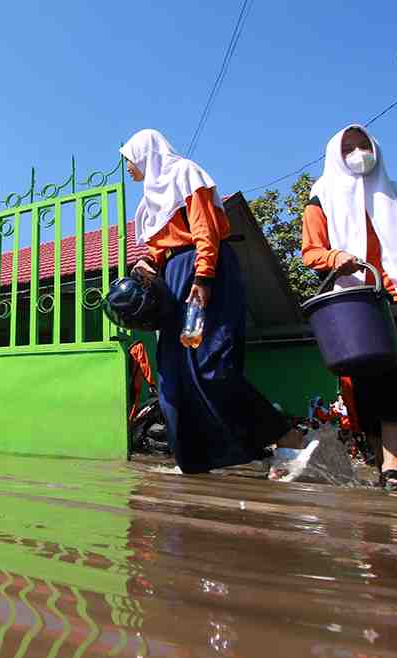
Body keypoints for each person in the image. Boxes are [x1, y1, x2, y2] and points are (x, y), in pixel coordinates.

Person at [121, 129, 316, 474]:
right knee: (172, 378)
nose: (128, 169)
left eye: (129, 160)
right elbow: (160, 247)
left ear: (144, 152)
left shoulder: (185, 174)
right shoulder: (151, 199)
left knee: (212, 366)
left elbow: (205, 230)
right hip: (173, 282)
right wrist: (149, 262)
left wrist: (203, 277)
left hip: (202, 275)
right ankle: (196, 460)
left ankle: (285, 436)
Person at [302, 124, 397, 489]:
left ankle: (393, 468)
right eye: (349, 148)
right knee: (363, 384)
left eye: (364, 145)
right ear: (335, 156)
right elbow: (310, 251)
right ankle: (378, 463)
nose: (359, 153)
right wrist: (335, 255)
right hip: (353, 301)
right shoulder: (321, 196)